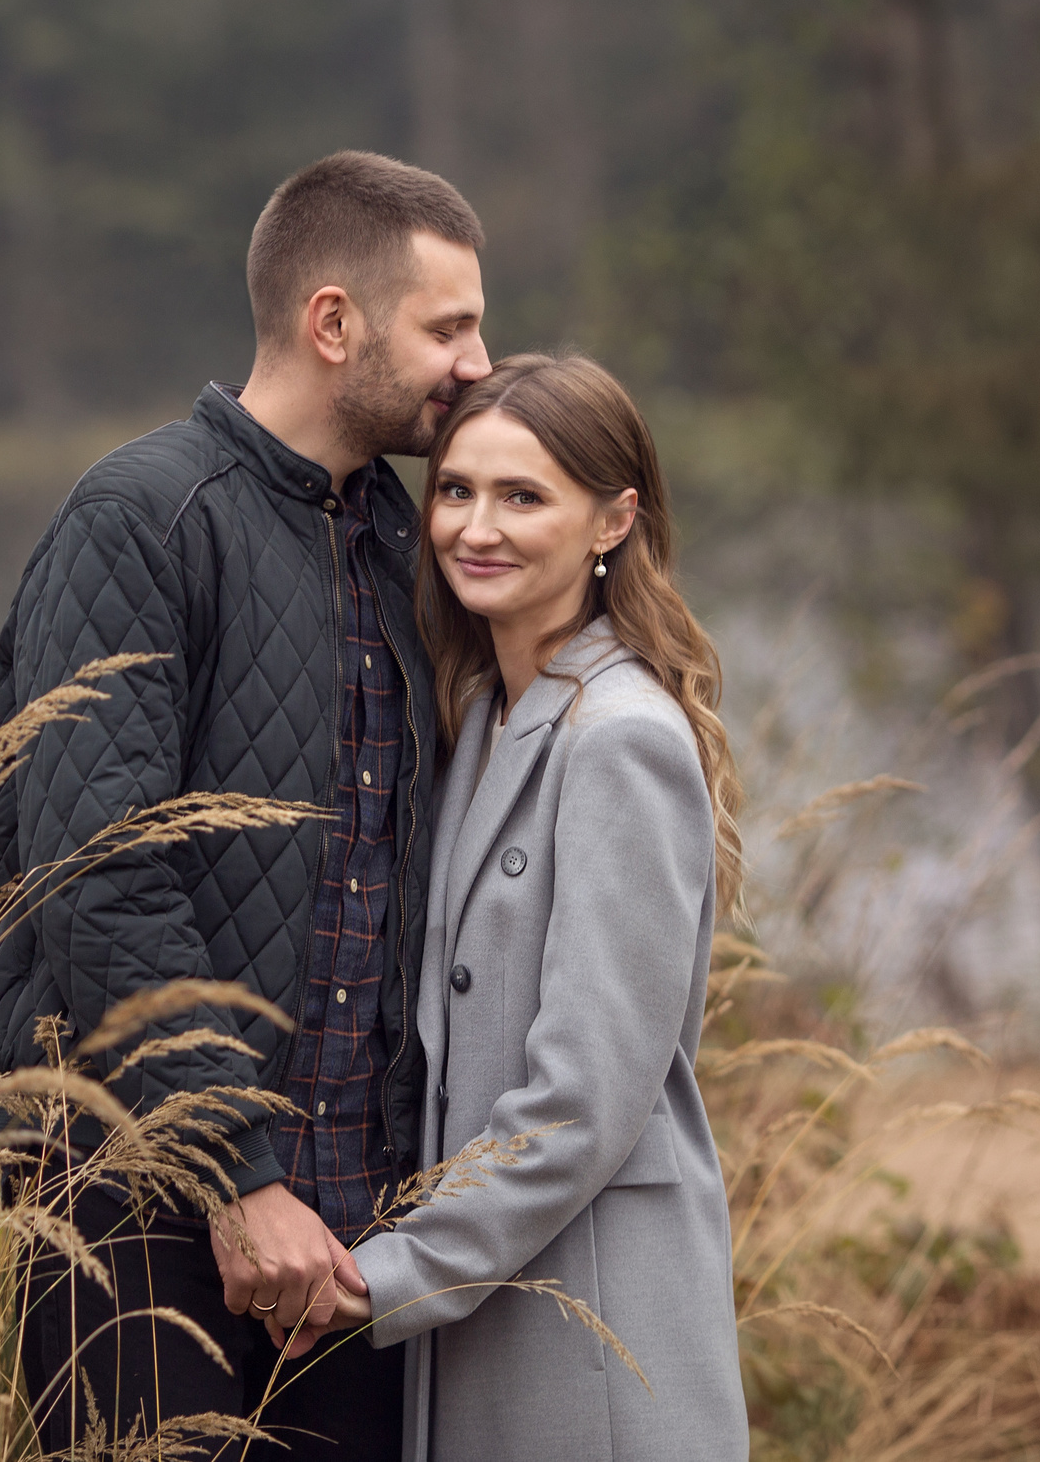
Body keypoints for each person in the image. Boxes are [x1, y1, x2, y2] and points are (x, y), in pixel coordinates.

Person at [0, 150, 492, 1457]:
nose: (478, 362)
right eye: (449, 325)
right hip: (141, 1207)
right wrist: (237, 1171)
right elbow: (101, 879)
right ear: (334, 323)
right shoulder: (144, 517)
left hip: (355, 1241)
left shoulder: (402, 536)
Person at [329, 352, 751, 1461]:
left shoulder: (620, 740)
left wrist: (388, 1275)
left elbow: (583, 1100)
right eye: (458, 490)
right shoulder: (487, 720)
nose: (476, 526)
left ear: (612, 520)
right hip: (497, 1308)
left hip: (592, 1327)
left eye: (524, 496)